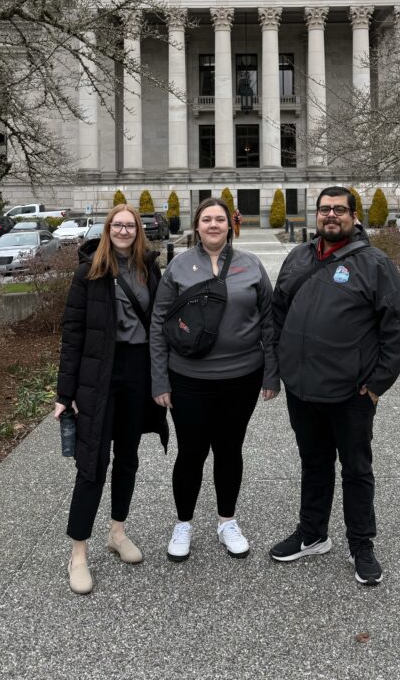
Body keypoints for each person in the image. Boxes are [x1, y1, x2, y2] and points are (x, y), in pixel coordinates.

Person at [269, 185, 400, 586]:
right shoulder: (298, 257)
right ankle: (313, 534)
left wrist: (378, 383)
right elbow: (278, 313)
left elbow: (397, 327)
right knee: (313, 463)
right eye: (325, 209)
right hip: (302, 389)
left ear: (354, 216)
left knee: (356, 470)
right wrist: (281, 366)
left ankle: (361, 544)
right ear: (316, 215)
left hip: (352, 393)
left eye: (339, 210)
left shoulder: (375, 263)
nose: (331, 215)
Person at [150, 197, 278, 562]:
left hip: (242, 378)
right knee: (191, 451)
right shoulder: (178, 266)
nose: (213, 225)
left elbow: (268, 322)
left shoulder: (251, 265)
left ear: (230, 225)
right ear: (197, 225)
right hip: (188, 378)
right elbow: (159, 324)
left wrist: (271, 372)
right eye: (206, 219)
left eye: (219, 219)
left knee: (229, 450)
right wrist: (160, 380)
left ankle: (227, 521)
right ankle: (183, 524)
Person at [55, 204, 168, 594]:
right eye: (117, 225)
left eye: (130, 225)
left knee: (129, 458)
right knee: (92, 463)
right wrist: (64, 393)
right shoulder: (90, 270)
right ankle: (78, 553)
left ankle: (117, 532)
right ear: (108, 229)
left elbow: (160, 327)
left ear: (139, 231)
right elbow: (72, 334)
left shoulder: (148, 269)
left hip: (137, 372)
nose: (123, 230)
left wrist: (163, 379)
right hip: (99, 373)